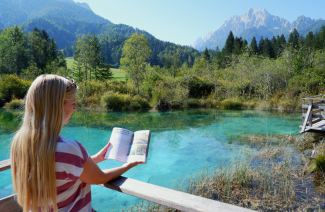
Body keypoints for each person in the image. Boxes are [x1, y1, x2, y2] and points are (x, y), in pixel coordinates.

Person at [10, 74, 143, 212]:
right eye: (72, 103)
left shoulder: (19, 144)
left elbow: (58, 169)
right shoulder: (69, 148)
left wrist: (95, 159)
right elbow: (100, 178)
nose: (75, 109)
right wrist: (128, 165)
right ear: (57, 106)